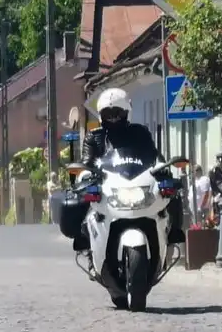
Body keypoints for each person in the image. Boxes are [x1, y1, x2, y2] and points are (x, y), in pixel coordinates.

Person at [75, 87, 184, 249]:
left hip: (137, 182)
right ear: (100, 115)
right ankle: (83, 238)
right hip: (107, 184)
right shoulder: (95, 136)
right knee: (81, 197)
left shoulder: (140, 132)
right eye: (107, 114)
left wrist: (163, 167)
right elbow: (87, 161)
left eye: (117, 113)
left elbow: (153, 154)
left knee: (172, 194)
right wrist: (85, 174)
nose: (112, 118)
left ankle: (174, 232)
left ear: (127, 112)